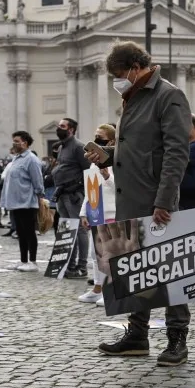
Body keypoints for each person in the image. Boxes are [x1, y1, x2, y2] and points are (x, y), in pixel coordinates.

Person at [87, 40, 192, 367]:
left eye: (120, 74)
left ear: (135, 68)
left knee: (171, 272)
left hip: (156, 200)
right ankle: (137, 335)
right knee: (135, 269)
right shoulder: (132, 97)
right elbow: (138, 150)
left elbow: (177, 152)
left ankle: (177, 339)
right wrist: (108, 156)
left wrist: (164, 200)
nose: (117, 81)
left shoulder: (168, 96)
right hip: (130, 198)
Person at [78, 124, 117, 304]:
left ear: (111, 141)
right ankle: (97, 288)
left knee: (110, 254)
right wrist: (84, 213)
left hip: (112, 213)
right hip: (96, 213)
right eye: (95, 136)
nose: (96, 139)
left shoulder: (117, 162)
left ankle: (112, 290)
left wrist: (108, 177)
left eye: (100, 136)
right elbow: (89, 191)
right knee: (95, 254)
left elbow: (121, 189)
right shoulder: (93, 165)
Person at [51, 117, 91, 279]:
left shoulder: (78, 147)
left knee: (80, 230)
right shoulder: (62, 147)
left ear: (71, 129)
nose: (58, 128)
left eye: (62, 126)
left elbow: (88, 171)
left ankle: (82, 267)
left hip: (74, 194)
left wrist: (83, 193)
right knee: (68, 229)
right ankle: (70, 265)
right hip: (62, 193)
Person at [2, 131, 44, 272]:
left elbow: (38, 181)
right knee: (20, 233)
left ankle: (32, 261)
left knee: (29, 232)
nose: (13, 143)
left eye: (16, 141)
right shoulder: (17, 158)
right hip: (15, 202)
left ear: (24, 143)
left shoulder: (31, 159)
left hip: (27, 202)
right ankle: (23, 260)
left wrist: (40, 197)